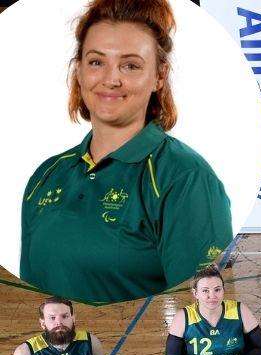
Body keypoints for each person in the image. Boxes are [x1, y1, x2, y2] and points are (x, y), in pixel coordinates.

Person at [20, 0, 232, 304]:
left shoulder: (185, 178)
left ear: (159, 76)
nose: (111, 79)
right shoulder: (46, 176)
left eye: (130, 65)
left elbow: (200, 306)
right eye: (96, 62)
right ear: (78, 70)